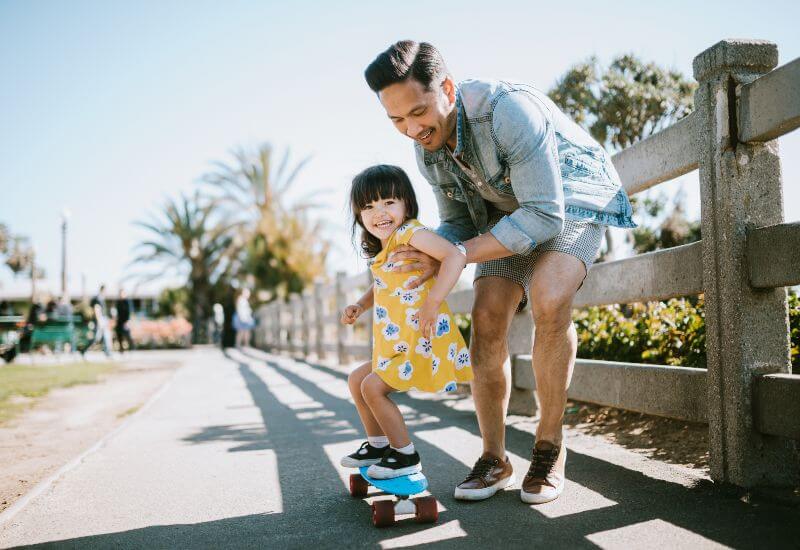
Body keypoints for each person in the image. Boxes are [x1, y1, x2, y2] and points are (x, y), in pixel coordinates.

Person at [363, 41, 636, 503]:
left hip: (571, 204)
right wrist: (436, 251)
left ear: (447, 88)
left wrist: (455, 253)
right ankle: (495, 457)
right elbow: (459, 223)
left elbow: (546, 216)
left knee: (549, 297)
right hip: (502, 218)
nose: (411, 129)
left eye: (418, 112)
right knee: (487, 317)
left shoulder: (507, 111)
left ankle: (550, 447)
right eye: (396, 120)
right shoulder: (426, 148)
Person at [339, 164, 473, 479]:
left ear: (406, 204)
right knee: (357, 380)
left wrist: (433, 301)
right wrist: (360, 304)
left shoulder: (410, 233)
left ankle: (405, 454)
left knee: (373, 387)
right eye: (368, 206)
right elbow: (383, 283)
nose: (379, 212)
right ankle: (378, 444)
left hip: (421, 337)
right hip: (398, 341)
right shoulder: (386, 247)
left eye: (388, 202)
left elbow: (455, 256)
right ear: (359, 215)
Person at [79, 284, 112, 357]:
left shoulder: (101, 298)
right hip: (100, 320)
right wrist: (99, 321)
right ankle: (83, 350)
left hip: (103, 319)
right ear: (103, 290)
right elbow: (97, 310)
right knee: (96, 338)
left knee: (106, 336)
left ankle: (108, 353)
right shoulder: (98, 298)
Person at [114, 289, 134, 353]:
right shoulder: (118, 302)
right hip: (119, 320)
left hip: (125, 320)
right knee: (118, 333)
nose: (120, 295)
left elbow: (129, 311)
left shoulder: (127, 301)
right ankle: (121, 348)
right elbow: (117, 312)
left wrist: (128, 321)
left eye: (122, 293)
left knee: (127, 334)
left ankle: (131, 347)